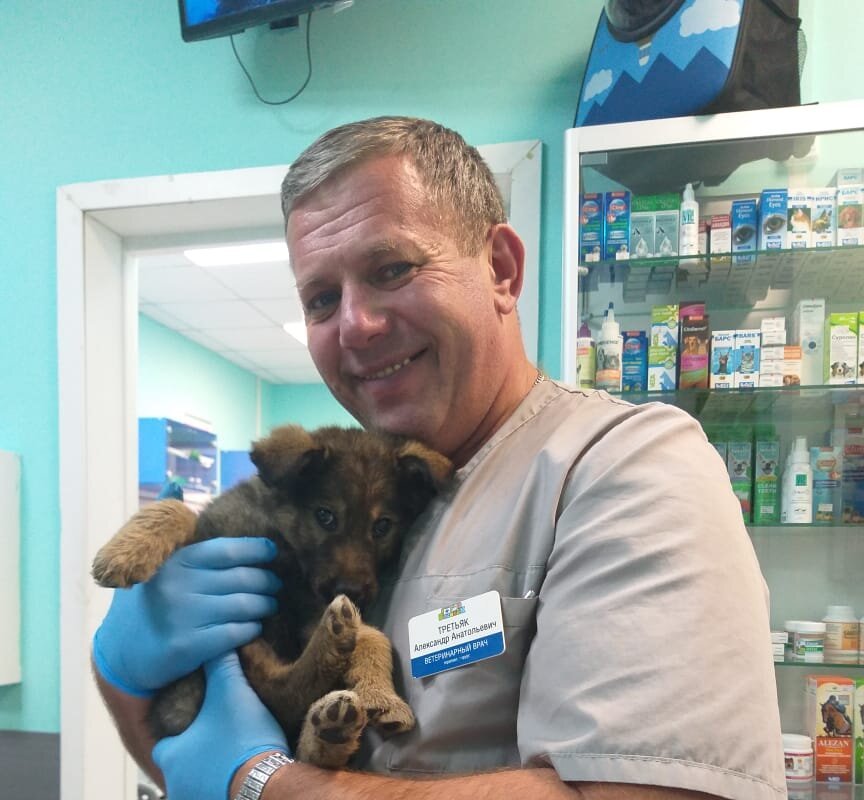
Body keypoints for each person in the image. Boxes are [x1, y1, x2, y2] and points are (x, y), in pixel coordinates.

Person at [93, 117, 786, 800]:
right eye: (322, 299)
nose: (356, 324)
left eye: (392, 269)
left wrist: (261, 783)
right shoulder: (388, 488)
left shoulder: (628, 470)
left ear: (502, 271)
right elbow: (192, 765)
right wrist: (121, 673)